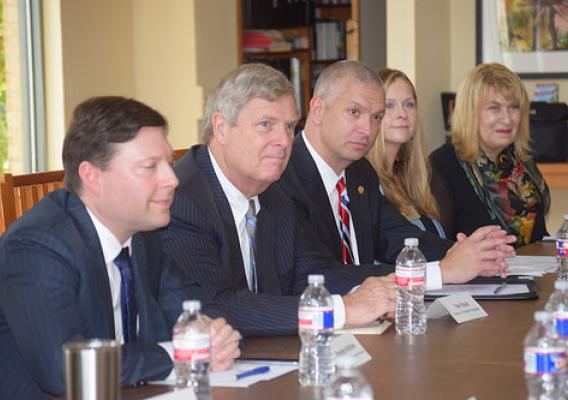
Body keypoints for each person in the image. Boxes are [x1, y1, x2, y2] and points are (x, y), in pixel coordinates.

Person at [0, 96, 241, 398]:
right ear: (92, 177)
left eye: (169, 163)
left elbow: (192, 313)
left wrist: (212, 335)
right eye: (149, 167)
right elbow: (65, 370)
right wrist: (179, 354)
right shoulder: (37, 246)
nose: (171, 179)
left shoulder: (143, 234)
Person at [160, 63, 396, 337]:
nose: (284, 141)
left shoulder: (275, 193)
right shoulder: (182, 200)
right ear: (221, 127)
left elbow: (314, 272)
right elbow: (218, 307)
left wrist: (395, 285)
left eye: (288, 126)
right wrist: (342, 309)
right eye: (265, 125)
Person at [278, 60, 516, 286]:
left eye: (376, 117)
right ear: (318, 109)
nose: (367, 129)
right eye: (354, 112)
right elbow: (320, 275)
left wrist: (466, 254)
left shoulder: (360, 173)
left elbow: (400, 238)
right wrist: (441, 271)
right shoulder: (283, 177)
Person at [430, 63, 550, 246]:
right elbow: (436, 246)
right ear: (470, 113)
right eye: (494, 108)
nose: (507, 118)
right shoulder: (442, 165)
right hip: (478, 274)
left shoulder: (522, 163)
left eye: (513, 107)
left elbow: (540, 235)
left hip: (536, 271)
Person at [367, 68, 445, 238]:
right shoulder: (364, 181)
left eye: (409, 104)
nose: (402, 114)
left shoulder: (409, 177)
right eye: (389, 105)